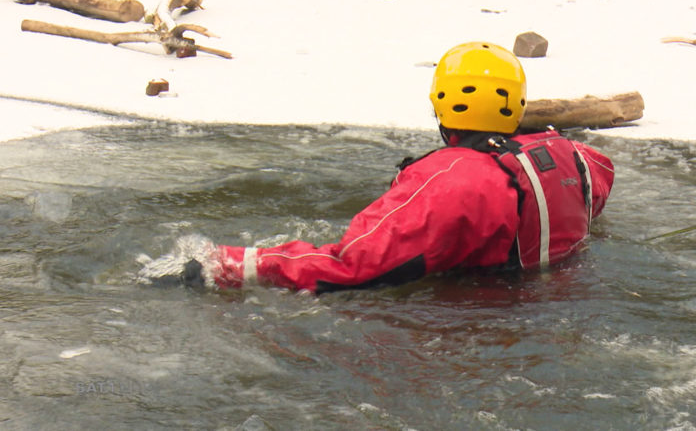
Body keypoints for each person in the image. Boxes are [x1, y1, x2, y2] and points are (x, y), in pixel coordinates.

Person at [146, 42, 615, 294]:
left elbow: (350, 265)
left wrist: (226, 266)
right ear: (516, 106)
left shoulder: (447, 183)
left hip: (478, 332)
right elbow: (601, 178)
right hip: (558, 312)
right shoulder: (573, 156)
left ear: (440, 104)